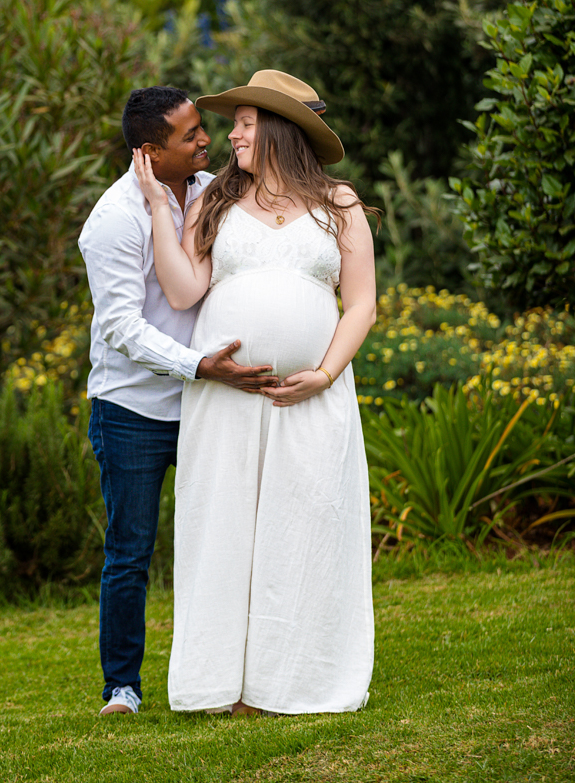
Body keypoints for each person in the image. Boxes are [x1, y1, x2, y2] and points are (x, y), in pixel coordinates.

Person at [133, 69, 377, 716]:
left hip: (312, 402)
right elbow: (185, 290)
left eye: (243, 122)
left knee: (303, 534)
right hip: (226, 404)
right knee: (223, 533)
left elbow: (361, 305)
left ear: (278, 129)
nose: (230, 135)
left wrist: (322, 373)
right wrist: (162, 207)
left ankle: (290, 682)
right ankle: (219, 685)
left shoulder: (340, 205)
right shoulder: (214, 203)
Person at [78, 86, 278, 717]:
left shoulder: (206, 189)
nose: (205, 141)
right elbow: (120, 327)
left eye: (202, 129)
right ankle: (122, 687)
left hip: (205, 404)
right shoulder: (113, 221)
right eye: (190, 136)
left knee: (216, 538)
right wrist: (200, 366)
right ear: (149, 152)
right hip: (134, 409)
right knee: (131, 550)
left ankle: (224, 671)